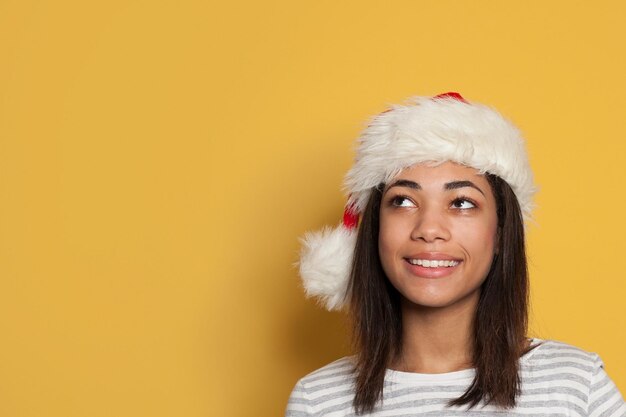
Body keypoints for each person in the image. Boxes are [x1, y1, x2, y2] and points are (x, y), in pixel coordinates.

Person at [286, 93, 625, 416]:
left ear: (500, 234)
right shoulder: (318, 401)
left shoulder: (578, 387)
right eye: (403, 201)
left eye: (462, 203)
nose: (429, 229)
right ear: (373, 230)